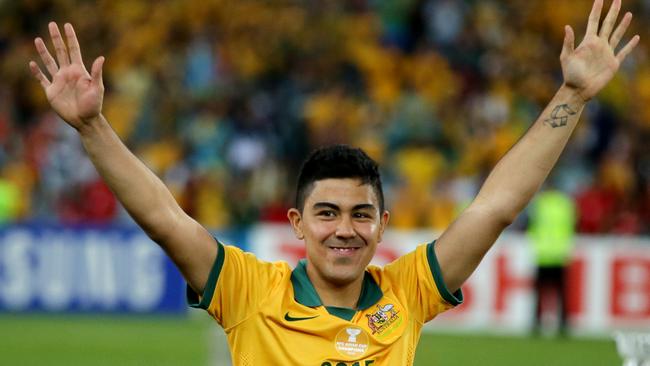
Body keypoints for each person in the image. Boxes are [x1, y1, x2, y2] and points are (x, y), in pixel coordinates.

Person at [29, 0, 638, 364]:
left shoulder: (408, 294)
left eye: (360, 214)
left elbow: (494, 208)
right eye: (326, 213)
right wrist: (93, 128)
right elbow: (164, 217)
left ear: (382, 226)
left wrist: (574, 94)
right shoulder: (248, 290)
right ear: (296, 224)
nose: (344, 230)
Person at [527, 187, 576, 336]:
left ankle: (536, 322)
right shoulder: (565, 204)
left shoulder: (540, 204)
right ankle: (564, 324)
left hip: (543, 254)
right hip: (560, 253)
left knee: (539, 292)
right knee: (561, 292)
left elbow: (532, 225)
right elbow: (572, 225)